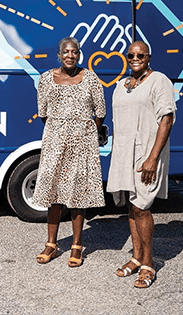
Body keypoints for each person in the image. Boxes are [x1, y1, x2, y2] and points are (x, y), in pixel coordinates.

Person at [31, 37, 106, 267]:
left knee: (77, 194)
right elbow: (43, 112)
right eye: (66, 52)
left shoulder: (91, 78)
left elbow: (100, 111)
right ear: (59, 55)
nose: (70, 56)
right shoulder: (46, 79)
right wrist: (59, 130)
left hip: (82, 144)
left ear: (79, 54)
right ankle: (51, 244)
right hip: (55, 143)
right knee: (54, 192)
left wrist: (83, 132)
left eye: (74, 52)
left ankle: (76, 245)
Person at [107, 41, 175, 288]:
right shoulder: (121, 85)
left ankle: (148, 264)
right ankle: (136, 258)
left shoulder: (159, 81)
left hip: (146, 154)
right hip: (124, 153)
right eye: (131, 55)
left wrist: (152, 158)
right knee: (132, 207)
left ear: (149, 57)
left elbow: (166, 119)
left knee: (142, 207)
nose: (135, 58)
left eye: (141, 55)